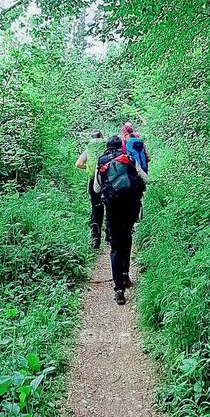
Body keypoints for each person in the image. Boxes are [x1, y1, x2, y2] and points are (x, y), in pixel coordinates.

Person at [96, 135, 147, 305]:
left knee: (115, 245)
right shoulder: (129, 159)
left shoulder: (102, 161)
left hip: (113, 207)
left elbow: (97, 188)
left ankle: (119, 289)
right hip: (131, 206)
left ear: (107, 147)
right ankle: (125, 275)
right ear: (121, 147)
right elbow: (145, 179)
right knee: (127, 236)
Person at [76, 130, 106, 249]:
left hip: (93, 182)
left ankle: (95, 240)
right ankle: (110, 236)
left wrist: (89, 169)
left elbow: (78, 164)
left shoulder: (88, 151)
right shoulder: (106, 150)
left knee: (96, 209)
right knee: (109, 207)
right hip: (106, 181)